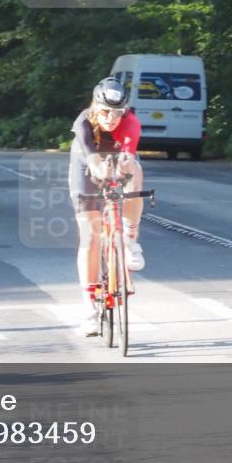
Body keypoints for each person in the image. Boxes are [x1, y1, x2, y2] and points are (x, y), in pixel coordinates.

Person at [68, 77, 146, 336]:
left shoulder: (131, 123)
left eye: (117, 113)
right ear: (94, 106)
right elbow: (92, 162)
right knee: (90, 237)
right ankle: (90, 310)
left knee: (133, 169)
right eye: (105, 112)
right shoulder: (83, 123)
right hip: (86, 159)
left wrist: (123, 171)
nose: (111, 118)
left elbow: (127, 156)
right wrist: (100, 169)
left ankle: (129, 237)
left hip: (117, 155)